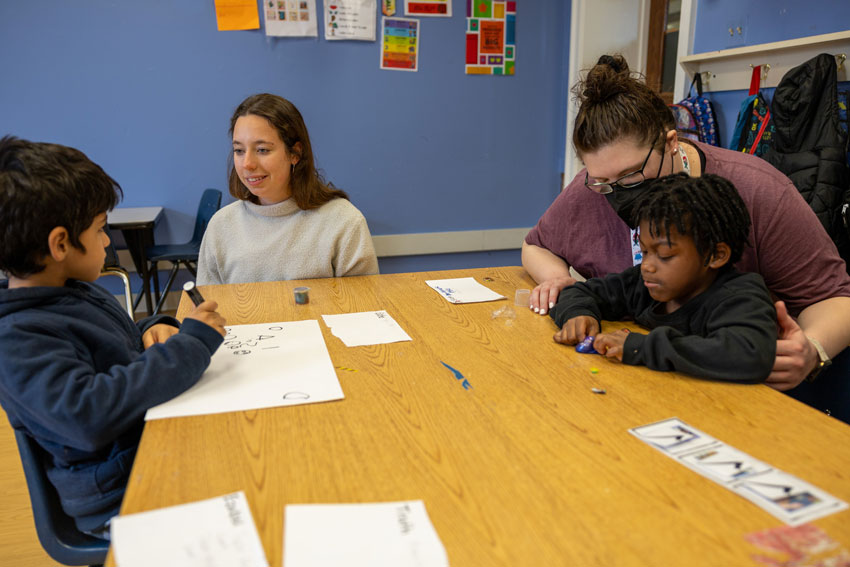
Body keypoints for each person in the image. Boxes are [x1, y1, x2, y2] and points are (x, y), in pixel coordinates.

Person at [522, 54, 850, 419]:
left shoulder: (759, 192)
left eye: (631, 175)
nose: (618, 190)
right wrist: (560, 285)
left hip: (746, 404)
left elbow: (836, 297)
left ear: (671, 142)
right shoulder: (593, 190)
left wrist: (813, 348)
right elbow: (537, 244)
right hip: (642, 395)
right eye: (602, 181)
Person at [0, 136, 226, 538]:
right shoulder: (17, 338)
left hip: (151, 450)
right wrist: (191, 346)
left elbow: (114, 342)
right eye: (101, 229)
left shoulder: (71, 290)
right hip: (120, 496)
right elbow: (87, 415)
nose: (107, 242)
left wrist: (155, 328)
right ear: (60, 243)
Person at [551, 173, 776, 382]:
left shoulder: (741, 296)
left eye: (665, 255)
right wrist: (579, 315)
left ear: (716, 255)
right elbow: (580, 291)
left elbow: (750, 354)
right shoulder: (643, 283)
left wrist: (643, 347)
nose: (647, 266)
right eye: (645, 251)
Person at [197, 93, 379, 285]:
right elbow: (208, 307)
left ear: (295, 153)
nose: (247, 164)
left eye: (262, 150)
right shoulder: (221, 226)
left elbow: (364, 306)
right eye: (239, 151)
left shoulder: (344, 222)